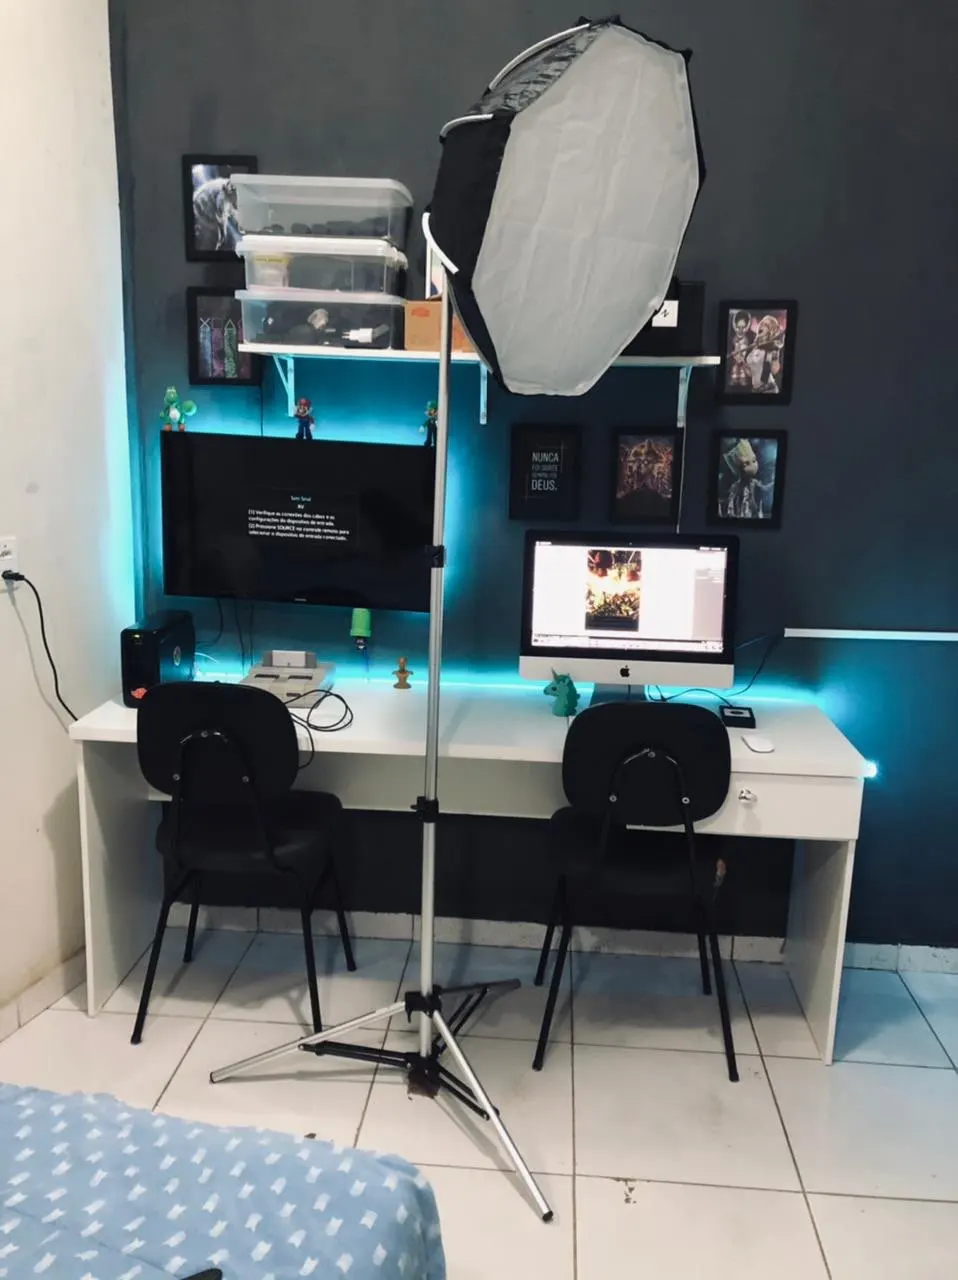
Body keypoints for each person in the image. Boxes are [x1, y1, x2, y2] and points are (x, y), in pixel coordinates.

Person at [722, 438, 774, 519]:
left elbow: (764, 487)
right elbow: (731, 498)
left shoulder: (753, 482)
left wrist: (772, 483)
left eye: (754, 460)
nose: (753, 465)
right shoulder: (736, 486)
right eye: (746, 463)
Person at [193, 175, 239, 252]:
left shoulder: (231, 192)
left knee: (223, 237)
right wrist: (222, 229)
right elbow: (221, 212)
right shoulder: (226, 191)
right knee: (215, 236)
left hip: (208, 210)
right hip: (200, 210)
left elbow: (226, 212)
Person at [746, 313, 785, 393]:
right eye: (761, 323)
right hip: (755, 390)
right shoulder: (752, 347)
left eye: (765, 325)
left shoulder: (772, 348)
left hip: (769, 389)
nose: (761, 326)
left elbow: (774, 371)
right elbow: (751, 374)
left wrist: (775, 355)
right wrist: (742, 363)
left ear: (770, 330)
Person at [727, 309, 753, 389]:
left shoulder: (752, 339)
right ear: (734, 325)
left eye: (743, 327)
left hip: (747, 379)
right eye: (738, 327)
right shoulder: (729, 339)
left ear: (748, 326)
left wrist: (743, 362)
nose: (741, 330)